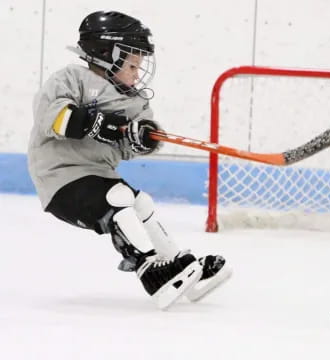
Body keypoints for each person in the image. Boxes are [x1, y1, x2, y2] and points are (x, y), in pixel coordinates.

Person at [27, 10, 232, 310]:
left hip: (97, 176)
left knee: (141, 202)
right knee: (121, 195)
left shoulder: (133, 101)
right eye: (132, 64)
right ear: (106, 53)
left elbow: (136, 143)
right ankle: (149, 270)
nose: (137, 73)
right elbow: (53, 118)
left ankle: (175, 265)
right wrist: (96, 122)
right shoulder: (71, 79)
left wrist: (143, 137)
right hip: (59, 179)